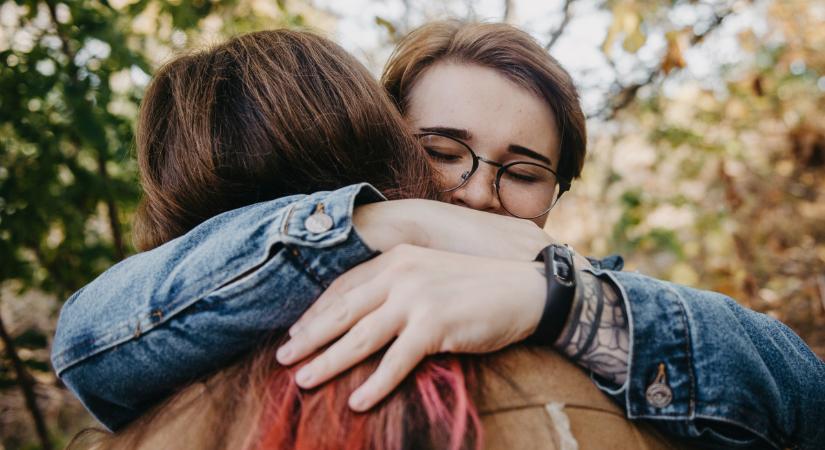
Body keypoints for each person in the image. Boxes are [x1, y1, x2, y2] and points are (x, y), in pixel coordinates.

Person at [51, 22, 825, 449]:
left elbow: (801, 388)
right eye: (441, 152)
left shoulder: (588, 285)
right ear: (381, 143)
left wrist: (558, 300)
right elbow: (88, 332)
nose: (477, 193)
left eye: (523, 172)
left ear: (557, 191)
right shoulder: (264, 262)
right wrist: (393, 221)